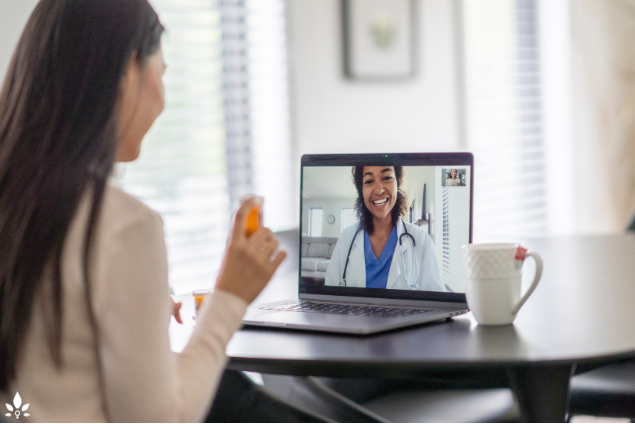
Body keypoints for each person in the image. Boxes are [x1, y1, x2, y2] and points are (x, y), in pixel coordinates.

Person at [0, 1, 320, 422]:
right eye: (162, 72)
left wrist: (137, 309)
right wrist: (230, 296)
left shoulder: (18, 201)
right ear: (126, 73)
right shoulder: (123, 226)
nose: (164, 98)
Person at [325, 166, 443, 292]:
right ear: (361, 190)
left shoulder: (422, 240)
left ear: (397, 183)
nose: (379, 190)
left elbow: (436, 304)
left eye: (387, 178)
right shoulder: (346, 238)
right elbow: (329, 295)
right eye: (369, 181)